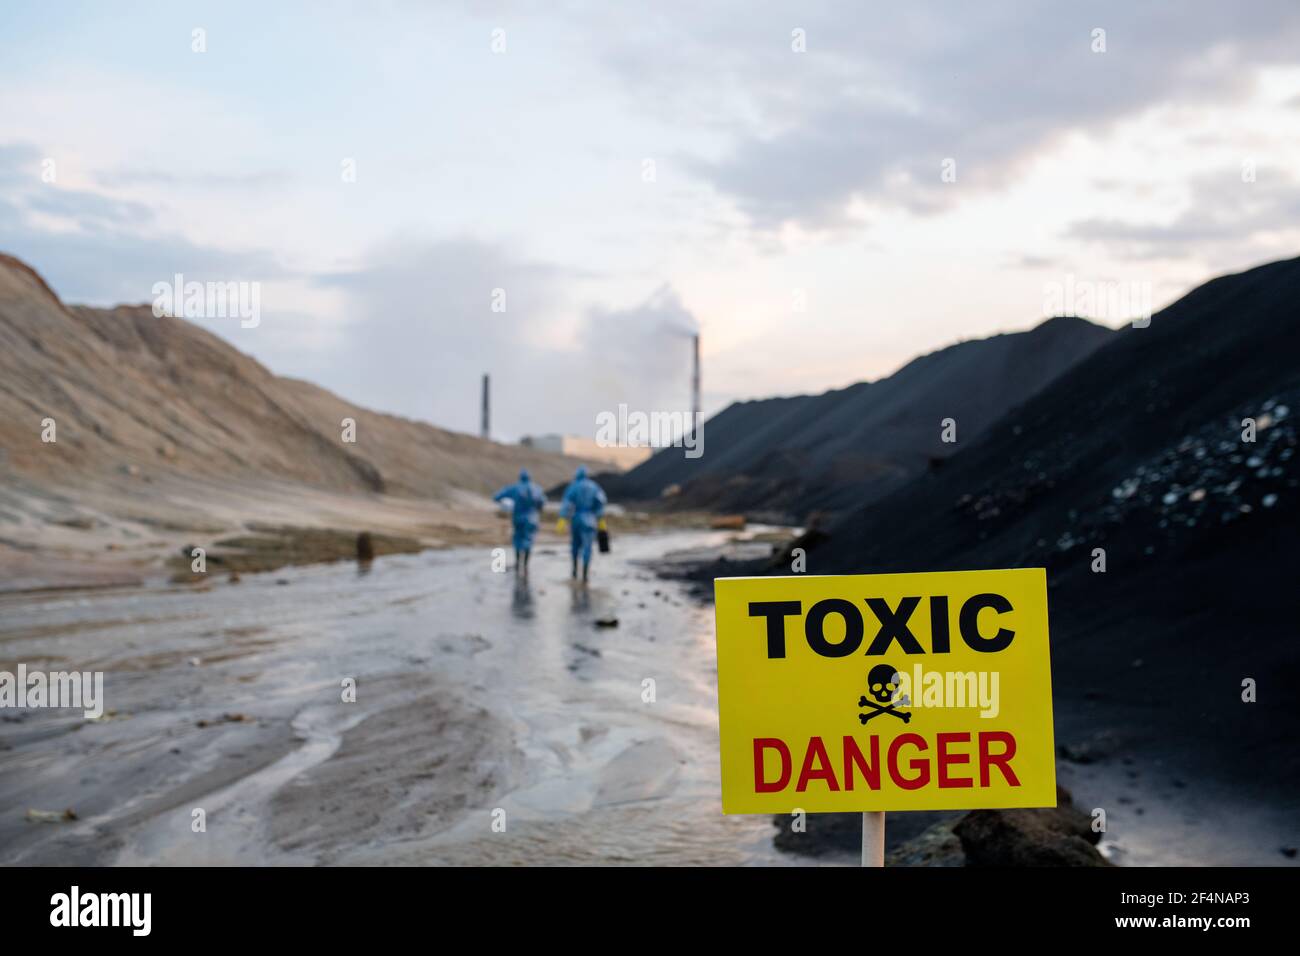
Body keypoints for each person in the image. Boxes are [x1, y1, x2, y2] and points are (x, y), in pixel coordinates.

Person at [557, 465, 606, 582]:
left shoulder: (573, 486)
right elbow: (600, 503)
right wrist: (601, 521)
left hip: (577, 519)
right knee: (587, 547)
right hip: (590, 520)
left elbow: (567, 504)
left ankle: (574, 571)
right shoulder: (595, 487)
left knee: (575, 545)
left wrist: (562, 519)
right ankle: (585, 574)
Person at [493, 468, 547, 574]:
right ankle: (526, 565)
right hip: (532, 519)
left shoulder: (514, 488)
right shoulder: (536, 488)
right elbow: (542, 502)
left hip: (518, 518)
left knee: (518, 540)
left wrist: (505, 504)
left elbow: (496, 497)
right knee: (529, 541)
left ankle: (518, 563)